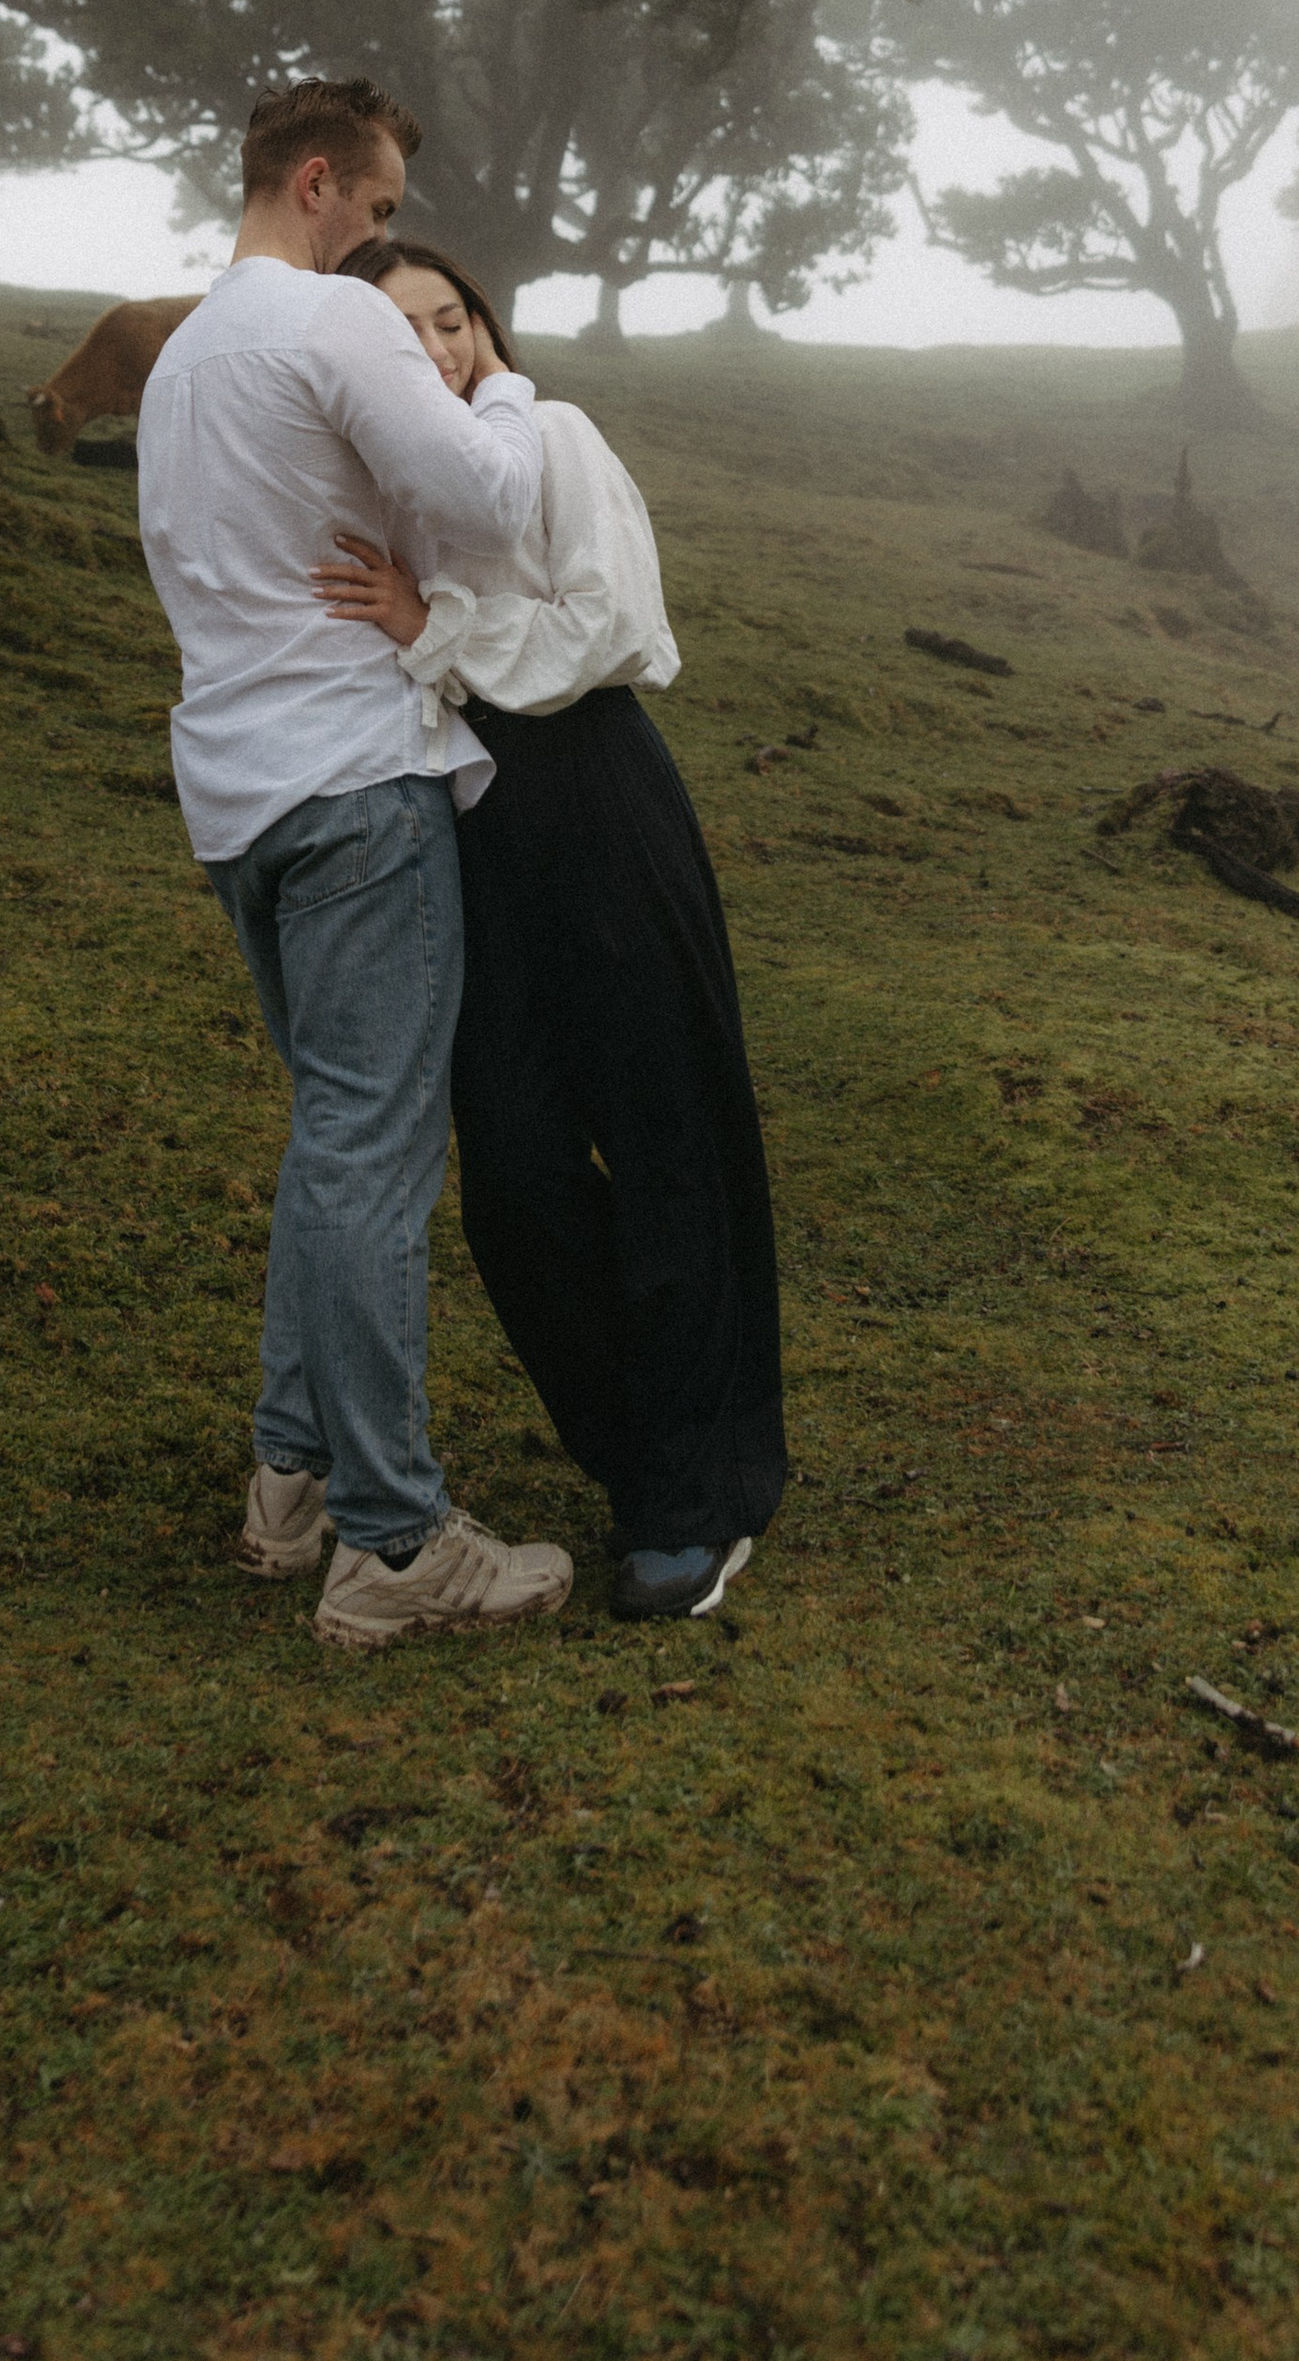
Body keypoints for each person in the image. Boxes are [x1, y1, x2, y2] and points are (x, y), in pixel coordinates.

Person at [134, 82, 576, 1652]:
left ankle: (292, 1478)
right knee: (374, 1158)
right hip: (356, 791)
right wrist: (511, 390)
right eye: (378, 210)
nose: (384, 240)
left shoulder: (186, 356)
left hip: (237, 797)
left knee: (333, 1141)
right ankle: (397, 1542)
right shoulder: (333, 328)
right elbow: (492, 496)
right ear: (317, 184)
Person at [313, 239, 786, 1624]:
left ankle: (691, 1501)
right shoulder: (390, 488)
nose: (440, 351)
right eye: (406, 335)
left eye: (454, 320)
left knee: (664, 1141)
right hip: (465, 836)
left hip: (598, 797)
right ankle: (634, 1451)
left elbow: (610, 625)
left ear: (487, 327)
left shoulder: (557, 435)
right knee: (512, 1173)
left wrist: (437, 623)